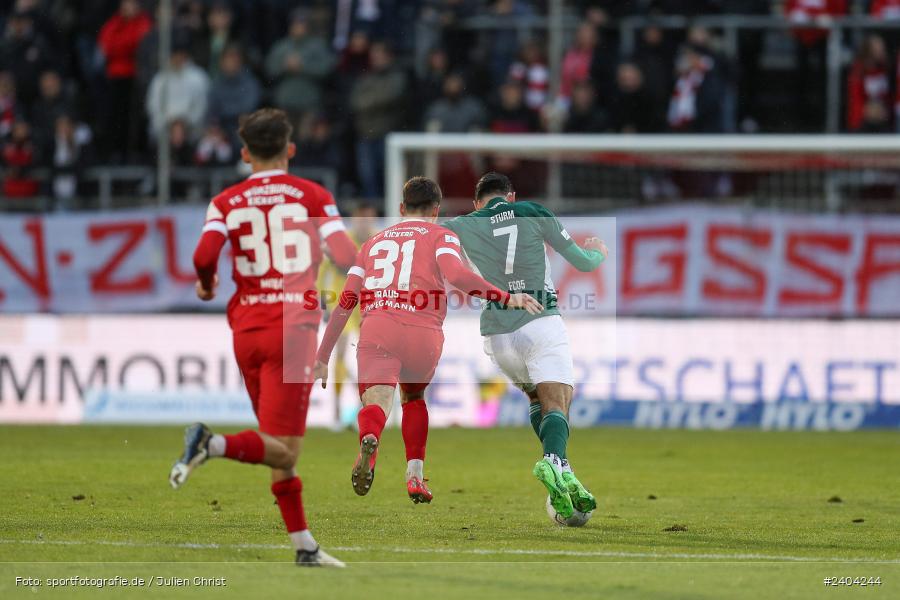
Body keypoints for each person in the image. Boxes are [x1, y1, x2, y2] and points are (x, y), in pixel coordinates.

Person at [169, 108, 358, 568]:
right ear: (290, 149)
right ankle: (209, 444)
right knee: (285, 446)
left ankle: (304, 547)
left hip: (247, 331)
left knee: (277, 446)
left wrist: (208, 284)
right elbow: (345, 253)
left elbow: (202, 255)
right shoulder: (313, 195)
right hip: (293, 329)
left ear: (244, 153)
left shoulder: (226, 201)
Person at [312, 177, 542, 504]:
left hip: (379, 328)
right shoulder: (442, 235)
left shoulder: (372, 244)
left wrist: (322, 355)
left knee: (376, 401)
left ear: (401, 208)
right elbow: (459, 276)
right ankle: (415, 477)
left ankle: (369, 438)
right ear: (436, 210)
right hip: (423, 333)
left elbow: (347, 299)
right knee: (414, 397)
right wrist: (505, 297)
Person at [443, 172, 608, 520]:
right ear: (512, 197)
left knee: (536, 399)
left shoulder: (460, 225)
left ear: (477, 203)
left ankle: (564, 470)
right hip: (540, 320)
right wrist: (597, 254)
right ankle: (554, 462)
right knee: (559, 402)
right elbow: (581, 262)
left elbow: (442, 263)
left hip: (497, 336)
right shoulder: (533, 211)